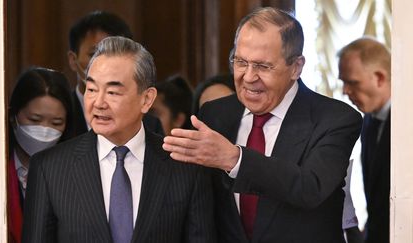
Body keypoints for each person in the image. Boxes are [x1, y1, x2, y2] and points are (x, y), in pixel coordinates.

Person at [163, 7, 363, 243]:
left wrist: (235, 159)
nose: (248, 77)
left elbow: (310, 187)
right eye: (240, 62)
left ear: (296, 67)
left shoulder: (336, 119)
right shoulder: (215, 114)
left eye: (262, 66)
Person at [22, 36, 216, 243]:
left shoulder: (186, 168)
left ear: (147, 99)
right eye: (92, 89)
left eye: (113, 92)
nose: (98, 102)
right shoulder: (49, 168)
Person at [67, 10, 163, 137]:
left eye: (116, 55)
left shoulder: (150, 124)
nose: (106, 63)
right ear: (73, 60)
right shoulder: (59, 115)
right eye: (94, 54)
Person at [7, 67, 73, 243]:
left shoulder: (75, 174)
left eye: (56, 122)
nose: (45, 130)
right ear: (13, 116)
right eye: (35, 120)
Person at [338, 37, 391, 243]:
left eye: (352, 82)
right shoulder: (367, 119)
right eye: (343, 82)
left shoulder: (407, 123)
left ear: (379, 77)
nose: (345, 91)